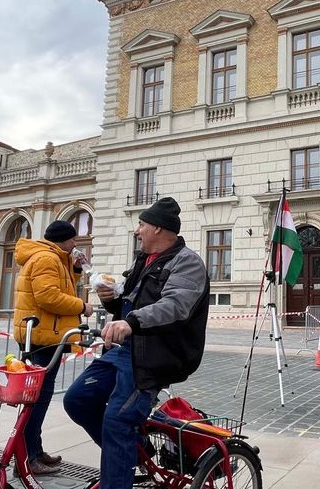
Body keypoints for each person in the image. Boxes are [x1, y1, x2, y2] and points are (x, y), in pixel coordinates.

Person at [63, 197, 210, 489]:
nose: (137, 230)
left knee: (117, 421)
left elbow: (175, 306)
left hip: (158, 356)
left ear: (157, 228)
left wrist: (129, 323)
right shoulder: (144, 259)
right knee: (77, 400)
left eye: (141, 224)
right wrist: (112, 300)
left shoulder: (188, 263)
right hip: (126, 351)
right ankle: (136, 446)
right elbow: (128, 305)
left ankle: (118, 475)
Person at [13, 220, 94, 475]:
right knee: (36, 400)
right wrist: (82, 306)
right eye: (72, 241)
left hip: (43, 335)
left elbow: (57, 286)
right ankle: (27, 458)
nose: (74, 245)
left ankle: (33, 451)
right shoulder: (47, 259)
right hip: (42, 337)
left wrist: (77, 270)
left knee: (38, 398)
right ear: (63, 240)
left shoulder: (52, 257)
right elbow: (48, 297)